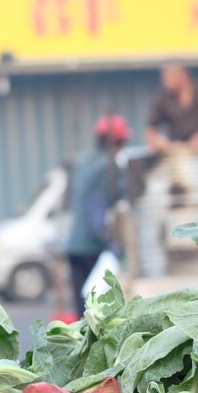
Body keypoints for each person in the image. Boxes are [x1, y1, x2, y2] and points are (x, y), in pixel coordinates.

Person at [65, 114, 129, 314]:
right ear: (118, 142)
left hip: (74, 246)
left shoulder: (84, 162)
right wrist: (113, 244)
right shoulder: (109, 167)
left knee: (81, 311)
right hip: (93, 249)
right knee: (96, 311)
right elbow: (101, 207)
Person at [145, 62, 198, 154]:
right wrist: (158, 142)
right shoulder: (163, 97)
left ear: (182, 75)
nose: (165, 82)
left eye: (168, 77)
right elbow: (151, 128)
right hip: (176, 153)